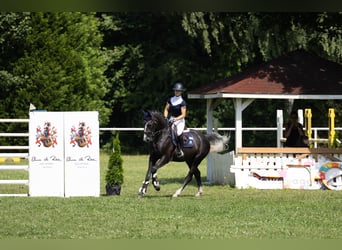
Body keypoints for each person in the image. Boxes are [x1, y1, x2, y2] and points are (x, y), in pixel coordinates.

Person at [164, 82, 186, 157]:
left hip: (180, 120)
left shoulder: (182, 102)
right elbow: (166, 109)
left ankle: (180, 150)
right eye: (176, 90)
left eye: (178, 91)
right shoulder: (170, 100)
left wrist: (175, 119)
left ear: (181, 92)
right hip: (171, 118)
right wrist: (165, 117)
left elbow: (183, 114)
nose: (177, 92)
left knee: (178, 133)